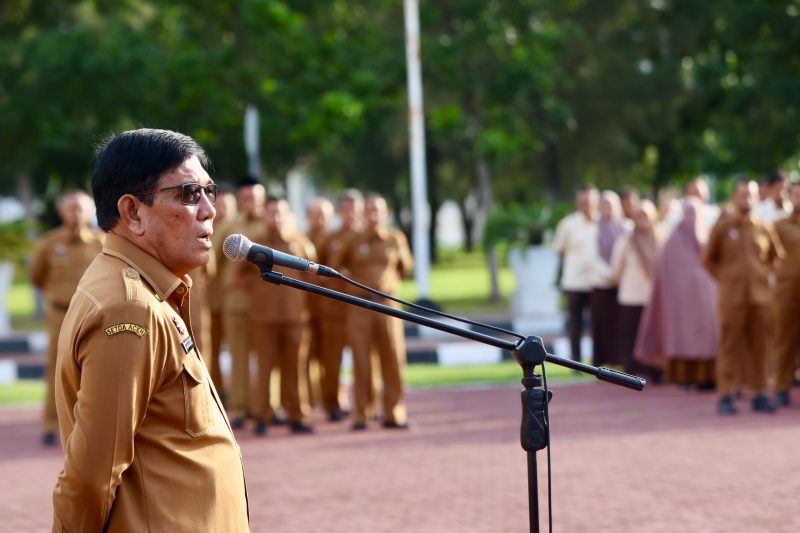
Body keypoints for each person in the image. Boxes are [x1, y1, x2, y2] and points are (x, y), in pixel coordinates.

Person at [51, 128, 248, 531]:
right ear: (133, 212)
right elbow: (91, 477)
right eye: (190, 194)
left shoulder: (141, 288)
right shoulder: (131, 308)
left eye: (211, 192)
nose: (210, 210)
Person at [29, 190, 104, 446]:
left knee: (96, 369)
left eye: (82, 208)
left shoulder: (101, 243)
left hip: (94, 316)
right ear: (62, 212)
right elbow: (36, 277)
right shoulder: (49, 244)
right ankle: (52, 424)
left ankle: (92, 426)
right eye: (71, 208)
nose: (77, 213)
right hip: (60, 313)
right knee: (57, 368)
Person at [703, 179, 783, 415]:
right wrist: (725, 279)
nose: (746, 198)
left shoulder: (763, 227)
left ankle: (759, 393)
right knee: (729, 346)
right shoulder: (724, 226)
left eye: (751, 194)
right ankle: (725, 394)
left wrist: (763, 278)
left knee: (761, 347)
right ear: (733, 197)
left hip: (760, 299)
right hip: (731, 298)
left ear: (757, 197)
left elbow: (775, 258)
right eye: (742, 194)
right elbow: (707, 259)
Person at [336, 194, 413, 430]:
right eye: (369, 210)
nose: (373, 215)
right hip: (360, 305)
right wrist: (351, 285)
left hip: (388, 306)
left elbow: (405, 267)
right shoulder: (352, 239)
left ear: (386, 214)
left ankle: (394, 413)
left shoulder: (395, 238)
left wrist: (388, 285)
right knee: (361, 360)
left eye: (377, 210)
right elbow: (337, 266)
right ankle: (362, 414)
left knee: (393, 358)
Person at [241, 197, 315, 435]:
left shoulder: (300, 243)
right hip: (263, 318)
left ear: (289, 215)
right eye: (272, 213)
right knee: (264, 368)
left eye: (281, 213)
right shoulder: (256, 246)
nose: (277, 217)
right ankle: (262, 415)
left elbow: (313, 277)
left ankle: (297, 415)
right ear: (265, 216)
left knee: (296, 369)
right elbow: (238, 276)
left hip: (295, 318)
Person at [635, 197, 717, 389]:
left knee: (707, 340)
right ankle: (684, 379)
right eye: (688, 214)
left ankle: (708, 379)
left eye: (695, 215)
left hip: (705, 305)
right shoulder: (672, 242)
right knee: (683, 341)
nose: (692, 219)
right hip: (681, 308)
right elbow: (663, 274)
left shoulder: (708, 238)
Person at [215, 176, 267, 427]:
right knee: (238, 356)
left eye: (255, 198)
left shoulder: (273, 224)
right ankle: (238, 408)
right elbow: (210, 262)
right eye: (246, 198)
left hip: (265, 304)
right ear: (239, 200)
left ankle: (267, 406)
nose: (251, 202)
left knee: (268, 358)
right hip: (235, 302)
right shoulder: (229, 228)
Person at [315, 190, 364, 422]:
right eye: (346, 209)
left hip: (361, 309)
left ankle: (367, 405)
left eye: (354, 209)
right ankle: (332, 403)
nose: (350, 214)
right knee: (332, 360)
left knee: (366, 360)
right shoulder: (330, 239)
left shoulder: (369, 238)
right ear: (339, 212)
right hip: (334, 309)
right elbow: (318, 271)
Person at [610, 200, 662, 376]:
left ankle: (653, 369)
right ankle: (630, 371)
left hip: (652, 298)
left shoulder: (660, 239)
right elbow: (616, 268)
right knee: (630, 336)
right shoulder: (626, 240)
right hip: (630, 296)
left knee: (652, 336)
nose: (643, 220)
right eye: (640, 216)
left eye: (646, 216)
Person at [553, 185, 598, 362]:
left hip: (597, 282)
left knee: (598, 325)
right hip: (574, 282)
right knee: (575, 324)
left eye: (589, 201)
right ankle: (576, 360)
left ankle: (598, 360)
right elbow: (560, 250)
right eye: (582, 201)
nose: (586, 205)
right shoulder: (568, 224)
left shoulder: (603, 222)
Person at [589, 190, 627, 368]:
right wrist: (610, 275)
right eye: (603, 205)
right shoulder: (593, 228)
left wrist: (618, 275)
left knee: (620, 324)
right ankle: (603, 363)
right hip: (602, 284)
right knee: (602, 325)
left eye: (610, 204)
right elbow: (592, 257)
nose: (607, 208)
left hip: (621, 285)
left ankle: (620, 360)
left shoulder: (625, 226)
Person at [771, 180, 800, 406]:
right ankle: (781, 387)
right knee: (784, 342)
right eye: (796, 195)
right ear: (789, 197)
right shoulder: (779, 225)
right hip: (786, 293)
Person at [206, 186, 238, 391]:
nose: (223, 209)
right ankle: (216, 390)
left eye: (228, 205)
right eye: (220, 204)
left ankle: (239, 396)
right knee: (211, 350)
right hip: (210, 300)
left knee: (238, 351)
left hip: (233, 300)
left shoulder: (238, 232)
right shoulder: (207, 229)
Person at [304, 197, 335, 411]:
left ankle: (332, 400)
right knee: (303, 357)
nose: (320, 219)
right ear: (308, 217)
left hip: (330, 309)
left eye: (324, 215)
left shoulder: (338, 240)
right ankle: (306, 401)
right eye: (316, 215)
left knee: (331, 357)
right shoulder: (299, 239)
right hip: (304, 309)